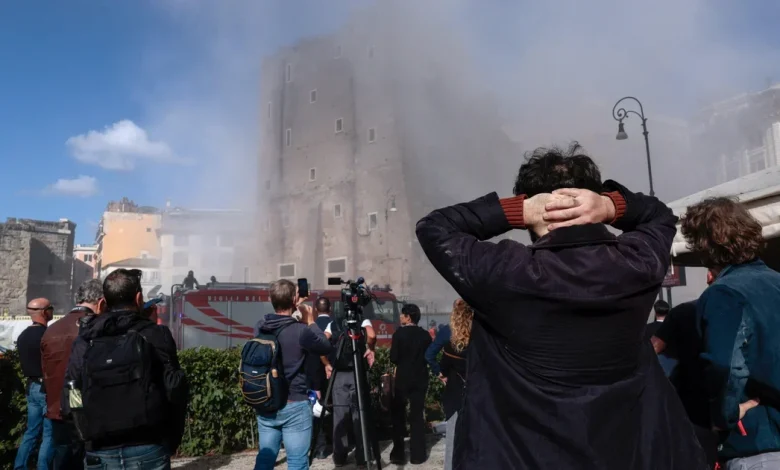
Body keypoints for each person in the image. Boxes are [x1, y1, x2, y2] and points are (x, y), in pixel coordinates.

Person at [415, 143, 708, 469]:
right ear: (591, 200)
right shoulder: (637, 264)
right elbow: (659, 215)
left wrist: (517, 210)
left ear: (531, 207)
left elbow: (434, 227)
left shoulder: (505, 271)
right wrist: (611, 206)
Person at [680, 197, 780, 469]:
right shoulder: (776, 282)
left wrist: (725, 414)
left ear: (703, 245)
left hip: (758, 444)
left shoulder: (724, 293)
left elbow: (725, 366)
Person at [64, 269, 188, 470]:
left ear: (103, 302)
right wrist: (169, 441)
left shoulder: (85, 340)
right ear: (139, 298)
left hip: (99, 449)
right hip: (149, 446)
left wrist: (84, 441)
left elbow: (71, 395)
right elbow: (175, 389)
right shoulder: (156, 334)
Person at [253, 280, 333, 470]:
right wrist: (311, 320)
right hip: (295, 404)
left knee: (265, 460)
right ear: (294, 300)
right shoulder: (301, 330)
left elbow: (280, 323)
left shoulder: (260, 326)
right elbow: (324, 345)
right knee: (297, 462)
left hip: (267, 403)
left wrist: (291, 304)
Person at [42, 279, 102, 470]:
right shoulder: (97, 328)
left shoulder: (51, 330)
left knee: (62, 458)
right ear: (100, 301)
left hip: (57, 409)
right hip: (88, 410)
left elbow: (46, 372)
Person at [651, 300, 718, 468]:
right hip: (741, 404)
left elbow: (652, 349)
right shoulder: (751, 304)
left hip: (692, 403)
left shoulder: (685, 311)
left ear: (710, 276)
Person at [322, 301, 377, 468]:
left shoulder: (333, 323)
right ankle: (362, 456)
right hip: (357, 373)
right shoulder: (363, 321)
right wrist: (370, 348)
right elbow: (372, 335)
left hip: (339, 374)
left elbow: (322, 344)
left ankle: (340, 456)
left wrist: (326, 364)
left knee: (340, 416)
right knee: (358, 415)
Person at [389, 303, 432, 465]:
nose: (400, 317)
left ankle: (398, 454)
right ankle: (418, 455)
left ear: (408, 317)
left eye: (402, 314)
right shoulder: (425, 335)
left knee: (398, 416)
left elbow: (393, 358)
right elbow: (428, 357)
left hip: (402, 379)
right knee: (417, 416)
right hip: (420, 378)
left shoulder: (399, 334)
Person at [14, 298, 55, 470]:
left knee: (31, 432)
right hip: (44, 388)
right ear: (45, 312)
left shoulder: (23, 335)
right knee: (49, 433)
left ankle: (20, 466)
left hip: (31, 387)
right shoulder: (46, 335)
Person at [439, 299, 473, 470]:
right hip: (478, 396)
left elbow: (443, 368)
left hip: (454, 395)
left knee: (452, 438)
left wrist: (443, 375)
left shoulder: (450, 346)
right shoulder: (481, 344)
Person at [306, 297, 334, 460]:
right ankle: (339, 446)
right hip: (335, 377)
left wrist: (315, 384)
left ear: (315, 309)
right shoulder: (337, 326)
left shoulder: (311, 329)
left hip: (317, 379)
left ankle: (321, 448)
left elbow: (312, 358)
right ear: (330, 308)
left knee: (317, 413)